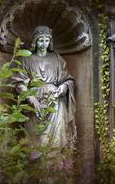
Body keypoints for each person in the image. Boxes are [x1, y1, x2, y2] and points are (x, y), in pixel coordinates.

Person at [12, 26, 76, 154]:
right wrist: (32, 99)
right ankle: (36, 169)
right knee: (35, 140)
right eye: (41, 40)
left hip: (55, 102)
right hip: (34, 102)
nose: (43, 44)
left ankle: (55, 166)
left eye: (47, 40)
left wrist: (63, 87)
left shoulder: (57, 59)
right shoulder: (26, 59)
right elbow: (18, 82)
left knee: (56, 139)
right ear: (35, 41)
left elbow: (68, 80)